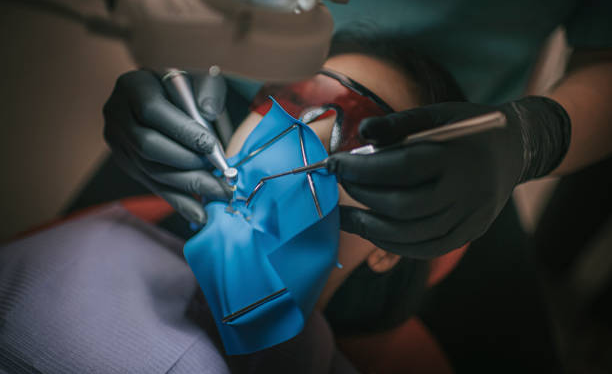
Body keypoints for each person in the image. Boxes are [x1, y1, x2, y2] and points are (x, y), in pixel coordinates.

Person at [1, 30, 475, 373]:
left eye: (365, 138)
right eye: (291, 99)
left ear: (392, 241)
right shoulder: (95, 240)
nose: (295, 135)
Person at [103, 0, 612, 260]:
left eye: (341, 141)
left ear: (383, 255)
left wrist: (533, 138)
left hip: (451, 160)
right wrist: (171, 27)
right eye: (283, 109)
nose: (284, 153)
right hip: (220, 87)